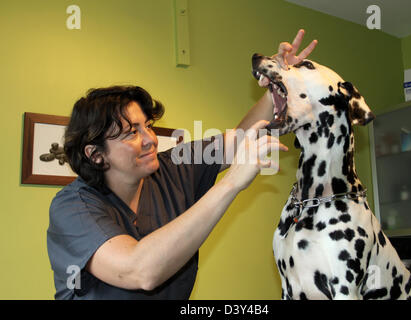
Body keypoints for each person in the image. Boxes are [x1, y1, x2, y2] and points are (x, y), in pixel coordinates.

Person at [46, 29, 317, 299]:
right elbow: (139, 271)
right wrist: (231, 183)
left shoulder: (174, 167)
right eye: (131, 133)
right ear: (96, 154)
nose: (150, 139)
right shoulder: (73, 208)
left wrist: (279, 83)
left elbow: (244, 138)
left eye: (148, 126)